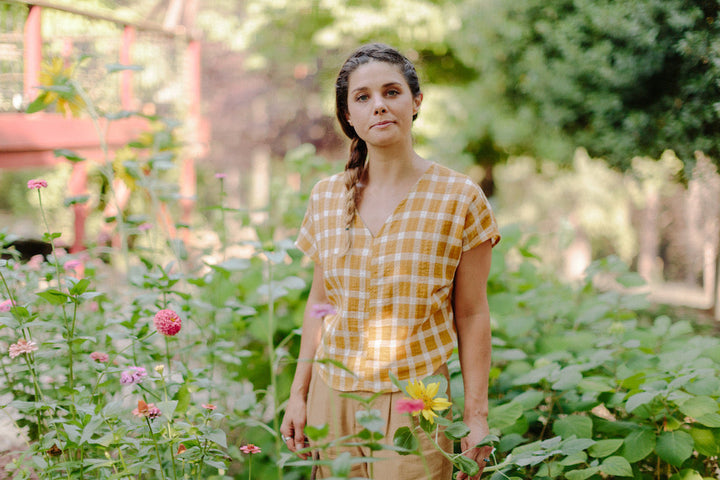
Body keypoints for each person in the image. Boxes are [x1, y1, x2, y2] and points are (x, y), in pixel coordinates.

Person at [280, 43, 500, 480]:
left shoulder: (460, 198)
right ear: (348, 117)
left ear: (415, 101)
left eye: (391, 92)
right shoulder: (326, 197)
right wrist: (299, 394)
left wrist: (476, 416)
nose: (378, 106)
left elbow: (472, 314)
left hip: (415, 403)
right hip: (332, 399)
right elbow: (318, 306)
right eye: (362, 98)